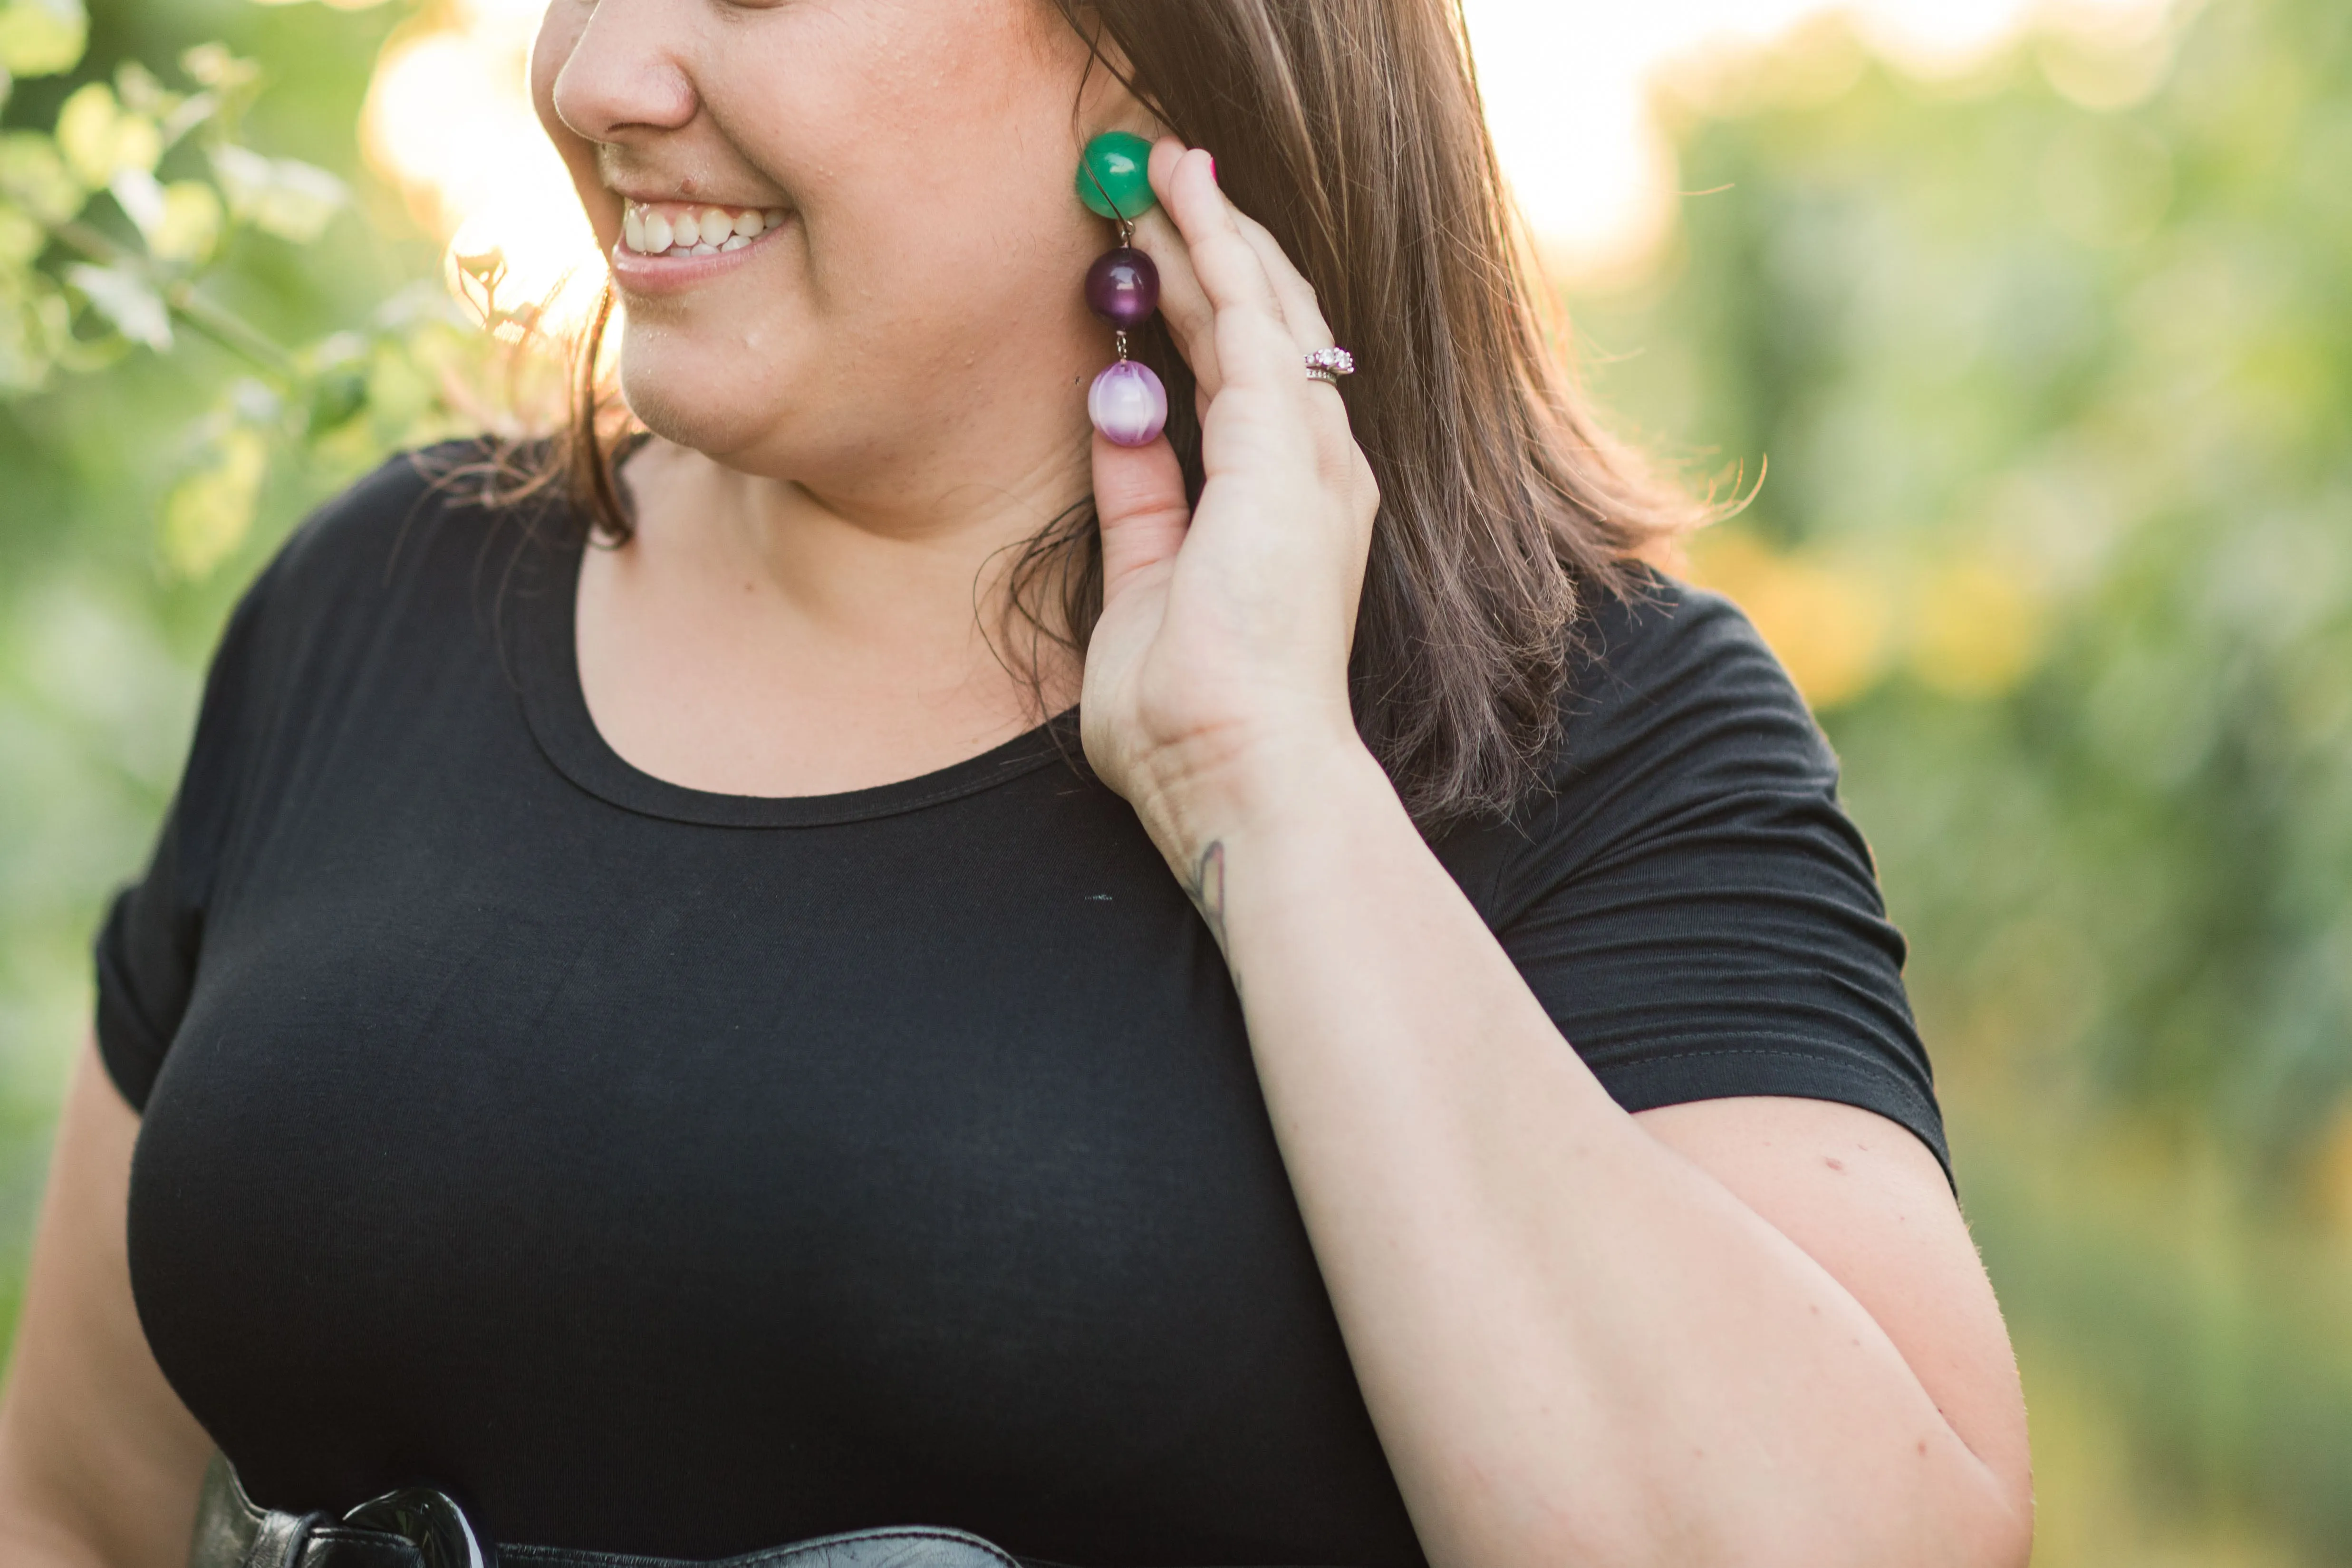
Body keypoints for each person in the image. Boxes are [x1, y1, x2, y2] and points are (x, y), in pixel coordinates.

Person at [0, 0, 2034, 1564]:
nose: (601, 68)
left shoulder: (1567, 727)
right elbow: (74, 1512)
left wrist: (1269, 786)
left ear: (1151, 64)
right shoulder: (376, 596)